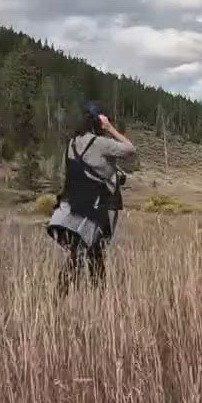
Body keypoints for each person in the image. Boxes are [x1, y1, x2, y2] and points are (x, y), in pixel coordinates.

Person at [48, 103, 135, 292]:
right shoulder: (100, 143)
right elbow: (130, 149)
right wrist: (110, 128)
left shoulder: (72, 144)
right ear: (98, 123)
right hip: (94, 208)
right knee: (84, 254)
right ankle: (64, 296)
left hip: (72, 205)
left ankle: (78, 299)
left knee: (86, 253)